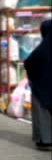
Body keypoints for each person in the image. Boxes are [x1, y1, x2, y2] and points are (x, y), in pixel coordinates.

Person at [24, 19, 52, 151]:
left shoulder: (43, 48)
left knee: (42, 113)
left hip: (41, 87)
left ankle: (44, 141)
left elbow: (29, 62)